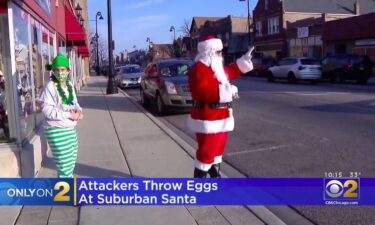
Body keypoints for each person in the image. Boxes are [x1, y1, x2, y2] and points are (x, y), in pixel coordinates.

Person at [187, 36, 254, 178]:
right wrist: (228, 91)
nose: (221, 55)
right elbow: (203, 92)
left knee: (217, 151)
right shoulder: (199, 69)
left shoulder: (214, 67)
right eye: (218, 52)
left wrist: (244, 61)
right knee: (206, 153)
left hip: (221, 117)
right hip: (208, 118)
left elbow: (229, 72)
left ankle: (215, 177)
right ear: (209, 52)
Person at [40, 53, 84, 178]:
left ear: (68, 70)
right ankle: (65, 196)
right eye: (57, 70)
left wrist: (79, 111)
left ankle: (67, 193)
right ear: (53, 71)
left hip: (70, 128)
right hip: (56, 130)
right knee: (64, 167)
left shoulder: (69, 85)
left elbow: (74, 103)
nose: (60, 73)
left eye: (62, 70)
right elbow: (47, 110)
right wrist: (68, 115)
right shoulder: (49, 86)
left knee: (70, 164)